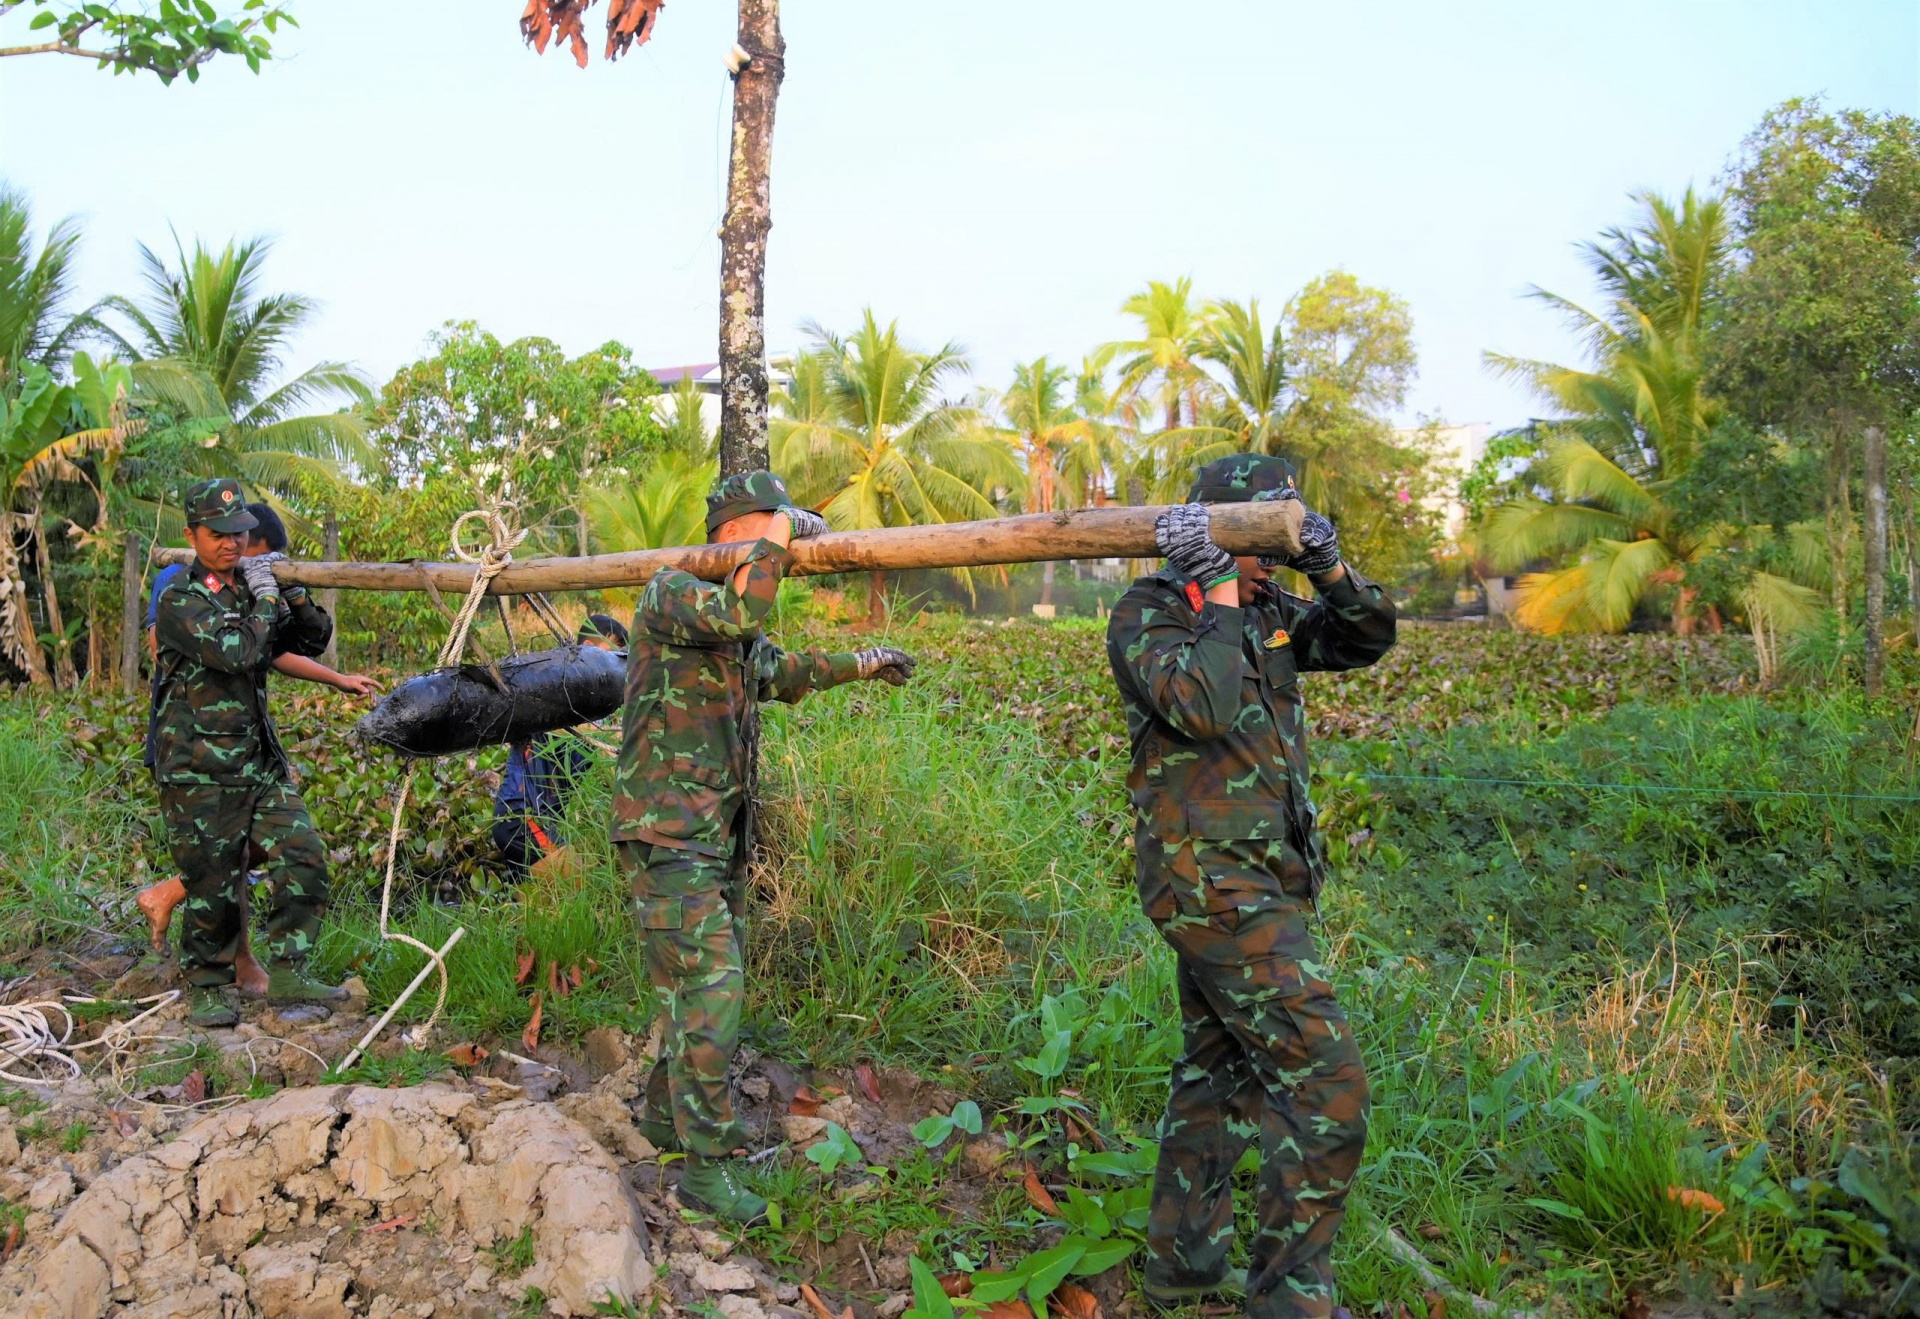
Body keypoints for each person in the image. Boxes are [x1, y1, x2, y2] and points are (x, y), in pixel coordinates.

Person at [1105, 455, 1397, 1319]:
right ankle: (1289, 1301)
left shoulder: (1271, 607)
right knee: (1327, 1081)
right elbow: (1200, 707)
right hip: (1211, 883)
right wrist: (1220, 591)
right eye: (1256, 532)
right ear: (1215, 528)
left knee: (1217, 1073)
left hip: (1267, 874)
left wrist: (1328, 565)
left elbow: (1363, 638)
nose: (1268, 556)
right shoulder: (1150, 610)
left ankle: (1182, 1273)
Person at [612, 471, 916, 1224]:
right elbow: (744, 611)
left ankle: (661, 1117)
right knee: (713, 985)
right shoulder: (674, 593)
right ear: (728, 531)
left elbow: (783, 670)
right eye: (764, 522)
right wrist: (781, 533)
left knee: (688, 987)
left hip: (710, 833)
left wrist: (867, 661)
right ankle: (706, 1171)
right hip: (668, 831)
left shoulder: (730, 623)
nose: (777, 534)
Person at [137, 503, 378, 992]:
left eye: (246, 544)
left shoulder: (251, 585)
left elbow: (280, 649)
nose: (238, 552)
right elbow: (218, 650)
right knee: (220, 857)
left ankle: (253, 960)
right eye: (225, 539)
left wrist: (332, 674)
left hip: (246, 743)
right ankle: (223, 964)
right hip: (194, 746)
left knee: (266, 849)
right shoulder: (178, 586)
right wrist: (258, 604)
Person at [491, 612, 628, 880]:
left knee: (549, 907)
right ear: (589, 649)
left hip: (543, 821)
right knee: (585, 888)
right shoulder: (561, 689)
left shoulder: (590, 702)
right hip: (525, 819)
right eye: (613, 652)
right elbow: (600, 754)